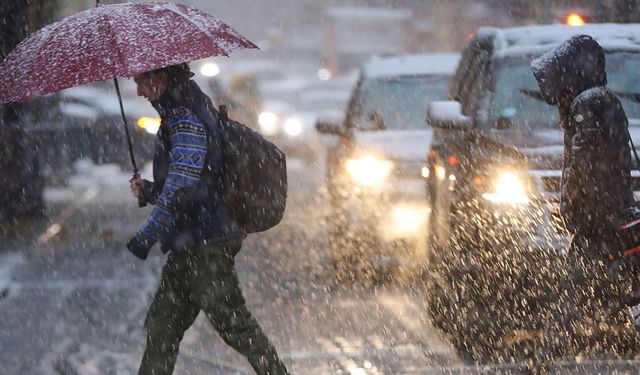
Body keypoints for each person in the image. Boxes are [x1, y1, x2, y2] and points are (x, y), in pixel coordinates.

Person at [127, 63, 290, 375]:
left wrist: (146, 236)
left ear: (159, 79)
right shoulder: (181, 111)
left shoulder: (185, 118)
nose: (138, 91)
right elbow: (191, 181)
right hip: (191, 243)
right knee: (163, 325)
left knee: (235, 325)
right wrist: (149, 191)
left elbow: (183, 188)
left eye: (141, 82)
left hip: (206, 244)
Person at [531, 35, 640, 364]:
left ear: (572, 71)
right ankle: (545, 359)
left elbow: (583, 167)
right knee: (626, 293)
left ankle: (544, 362)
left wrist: (576, 209)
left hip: (600, 224)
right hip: (612, 219)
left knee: (574, 296)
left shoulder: (587, 105)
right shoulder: (600, 100)